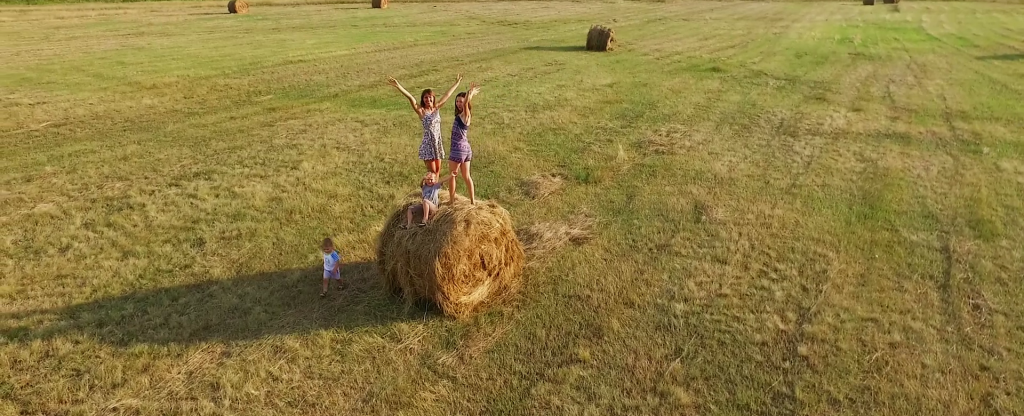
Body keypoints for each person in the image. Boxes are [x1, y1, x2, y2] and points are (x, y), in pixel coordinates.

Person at [386, 74, 463, 174]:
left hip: (437, 143)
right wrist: (398, 86)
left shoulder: (436, 108)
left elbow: (447, 95)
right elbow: (410, 98)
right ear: (423, 99)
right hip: (428, 145)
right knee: (432, 172)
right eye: (425, 97)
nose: (428, 99)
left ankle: (435, 185)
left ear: (433, 98)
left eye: (430, 97)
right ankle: (427, 184)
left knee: (437, 171)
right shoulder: (421, 111)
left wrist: (457, 83)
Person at [447, 83, 481, 204]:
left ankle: (451, 201)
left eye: (460, 101)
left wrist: (469, 93)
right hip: (466, 149)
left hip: (458, 149)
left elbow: (466, 103)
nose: (458, 103)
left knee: (452, 175)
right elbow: (466, 102)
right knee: (467, 176)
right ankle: (472, 201)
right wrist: (470, 94)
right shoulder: (464, 115)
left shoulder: (465, 114)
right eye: (457, 101)